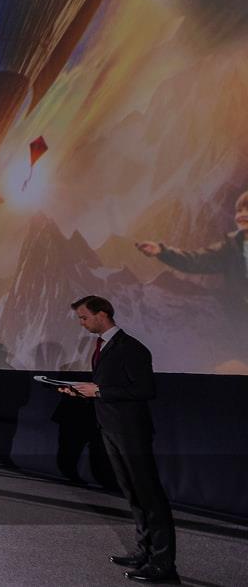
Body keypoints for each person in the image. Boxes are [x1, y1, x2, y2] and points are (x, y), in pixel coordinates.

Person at [61, 296, 176, 583]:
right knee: (133, 495)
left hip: (131, 433)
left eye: (84, 317)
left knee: (149, 496)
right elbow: (109, 387)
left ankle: (163, 563)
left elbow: (145, 390)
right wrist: (81, 392)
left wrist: (98, 391)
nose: (81, 323)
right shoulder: (103, 346)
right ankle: (144, 551)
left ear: (102, 314)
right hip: (111, 429)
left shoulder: (131, 348)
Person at [136, 188, 247, 307]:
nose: (242, 215)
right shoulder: (230, 248)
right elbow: (194, 261)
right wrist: (161, 251)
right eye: (239, 210)